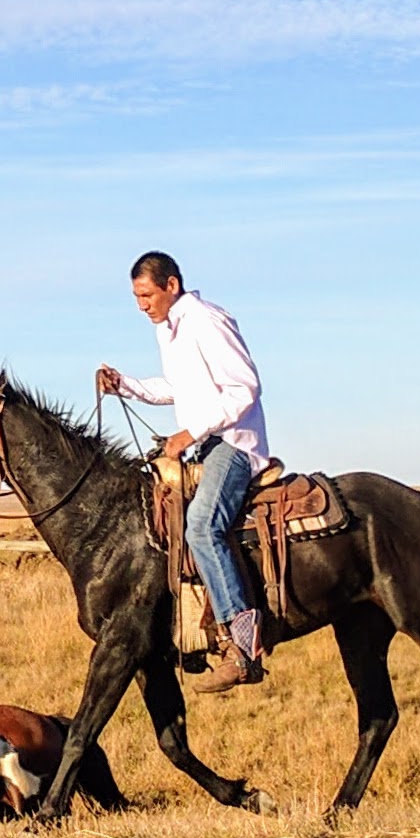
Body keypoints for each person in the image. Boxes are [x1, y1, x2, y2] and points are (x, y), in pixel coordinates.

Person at [97, 251, 270, 692]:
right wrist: (127, 385)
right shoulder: (170, 331)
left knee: (201, 527)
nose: (142, 305)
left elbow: (244, 388)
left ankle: (243, 646)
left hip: (233, 445)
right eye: (137, 297)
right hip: (206, 444)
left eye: (147, 294)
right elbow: (179, 389)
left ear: (171, 285)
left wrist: (188, 435)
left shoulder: (206, 320)